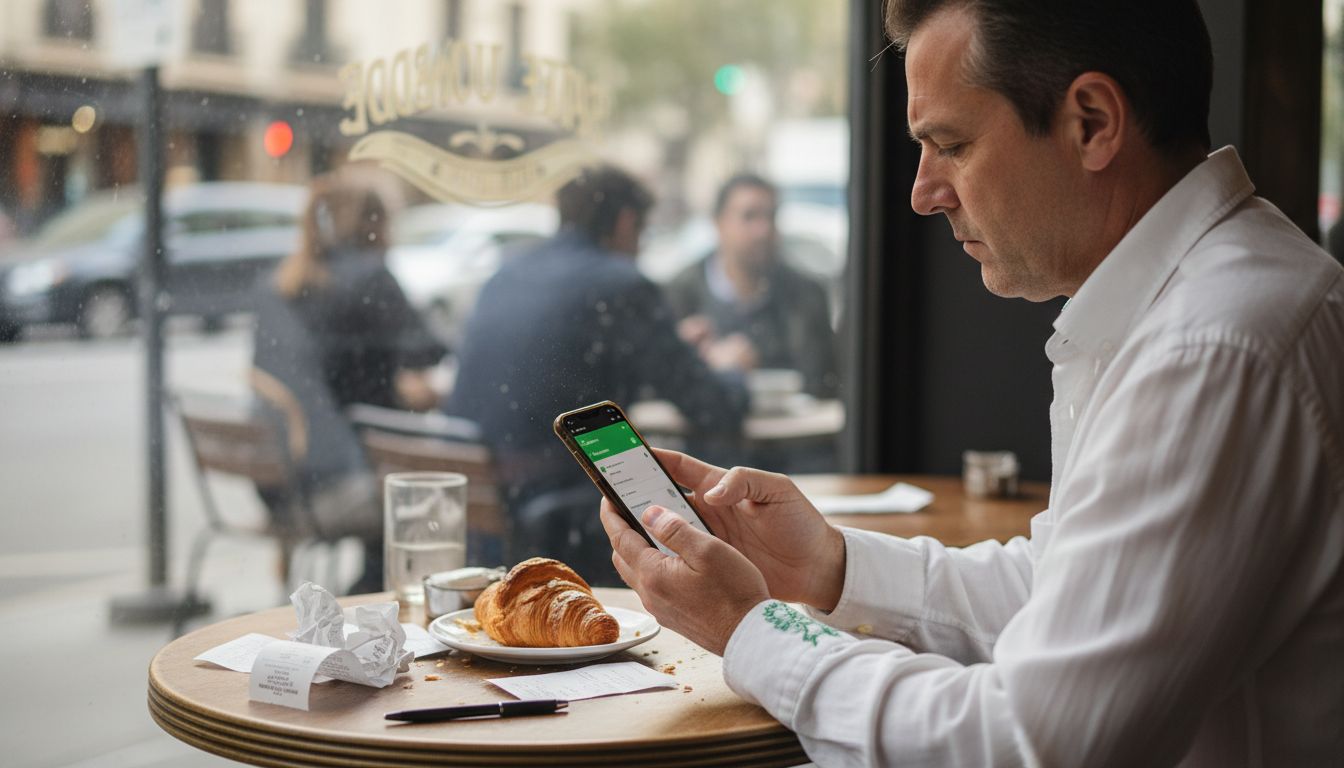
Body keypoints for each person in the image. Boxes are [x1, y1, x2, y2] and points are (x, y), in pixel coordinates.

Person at [600, 1, 1344, 765]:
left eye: (951, 146)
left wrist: (751, 628)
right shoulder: (1197, 307)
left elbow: (1029, 743)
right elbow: (1061, 593)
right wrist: (827, 565)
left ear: (1092, 122)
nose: (924, 192)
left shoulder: (1209, 349)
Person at [445, 165, 748, 581]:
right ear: (625, 221)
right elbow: (710, 404)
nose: (640, 247)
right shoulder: (621, 284)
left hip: (492, 503)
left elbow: (559, 366)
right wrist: (729, 370)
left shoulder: (506, 274)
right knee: (717, 501)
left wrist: (673, 344)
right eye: (642, 232)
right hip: (562, 507)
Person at [253, 167, 446, 594]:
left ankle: (366, 592)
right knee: (446, 502)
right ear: (374, 223)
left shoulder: (283, 283)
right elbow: (429, 348)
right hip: (337, 486)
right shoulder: (368, 278)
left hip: (287, 487)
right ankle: (369, 599)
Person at [665, 174, 839, 398]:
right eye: (749, 217)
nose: (763, 230)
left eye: (771, 216)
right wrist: (704, 364)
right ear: (718, 223)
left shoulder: (806, 296)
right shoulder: (679, 294)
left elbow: (823, 381)